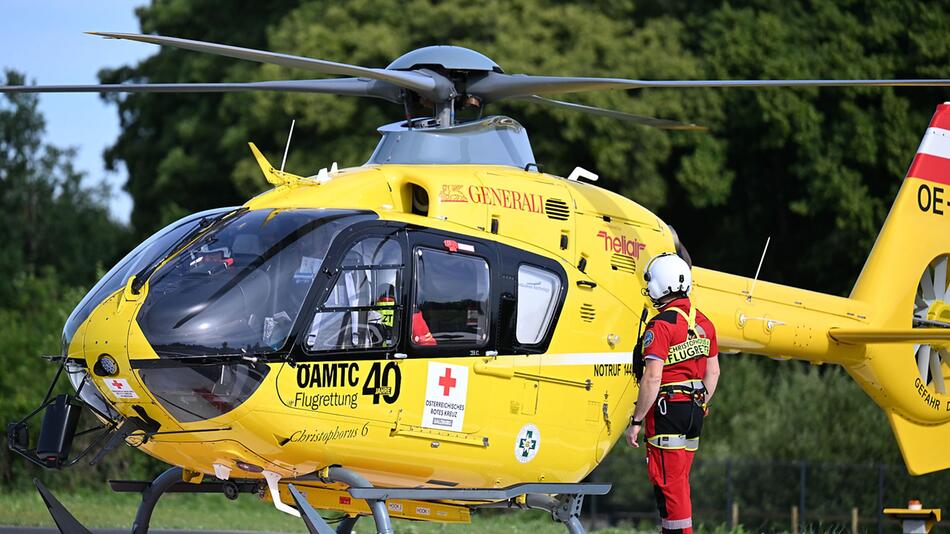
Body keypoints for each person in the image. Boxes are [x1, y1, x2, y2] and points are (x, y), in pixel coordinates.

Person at [626, 252, 721, 534]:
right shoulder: (706, 324)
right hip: (695, 411)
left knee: (670, 484)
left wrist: (636, 420)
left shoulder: (661, 325)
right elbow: (713, 373)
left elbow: (653, 377)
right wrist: (700, 401)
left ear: (659, 286)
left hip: (668, 411)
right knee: (678, 481)